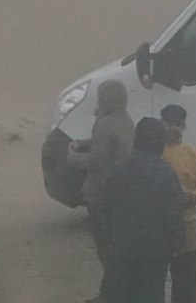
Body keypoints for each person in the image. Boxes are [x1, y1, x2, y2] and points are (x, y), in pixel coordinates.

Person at [99, 117, 188, 303]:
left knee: (123, 294)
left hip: (122, 247)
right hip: (155, 251)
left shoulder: (116, 169)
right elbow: (173, 213)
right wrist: (177, 243)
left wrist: (109, 241)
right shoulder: (165, 172)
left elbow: (104, 210)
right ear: (160, 142)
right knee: (152, 294)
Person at [71, 80, 136, 297]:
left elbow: (98, 159)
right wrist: (85, 142)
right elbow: (109, 142)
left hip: (101, 192)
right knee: (116, 246)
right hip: (122, 192)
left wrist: (74, 158)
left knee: (105, 248)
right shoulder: (126, 120)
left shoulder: (105, 123)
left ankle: (110, 294)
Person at [162, 104, 196, 303]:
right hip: (159, 223)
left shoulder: (193, 153)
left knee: (185, 280)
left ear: (184, 126)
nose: (173, 129)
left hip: (186, 225)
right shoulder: (155, 151)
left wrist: (192, 196)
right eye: (168, 124)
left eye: (177, 124)